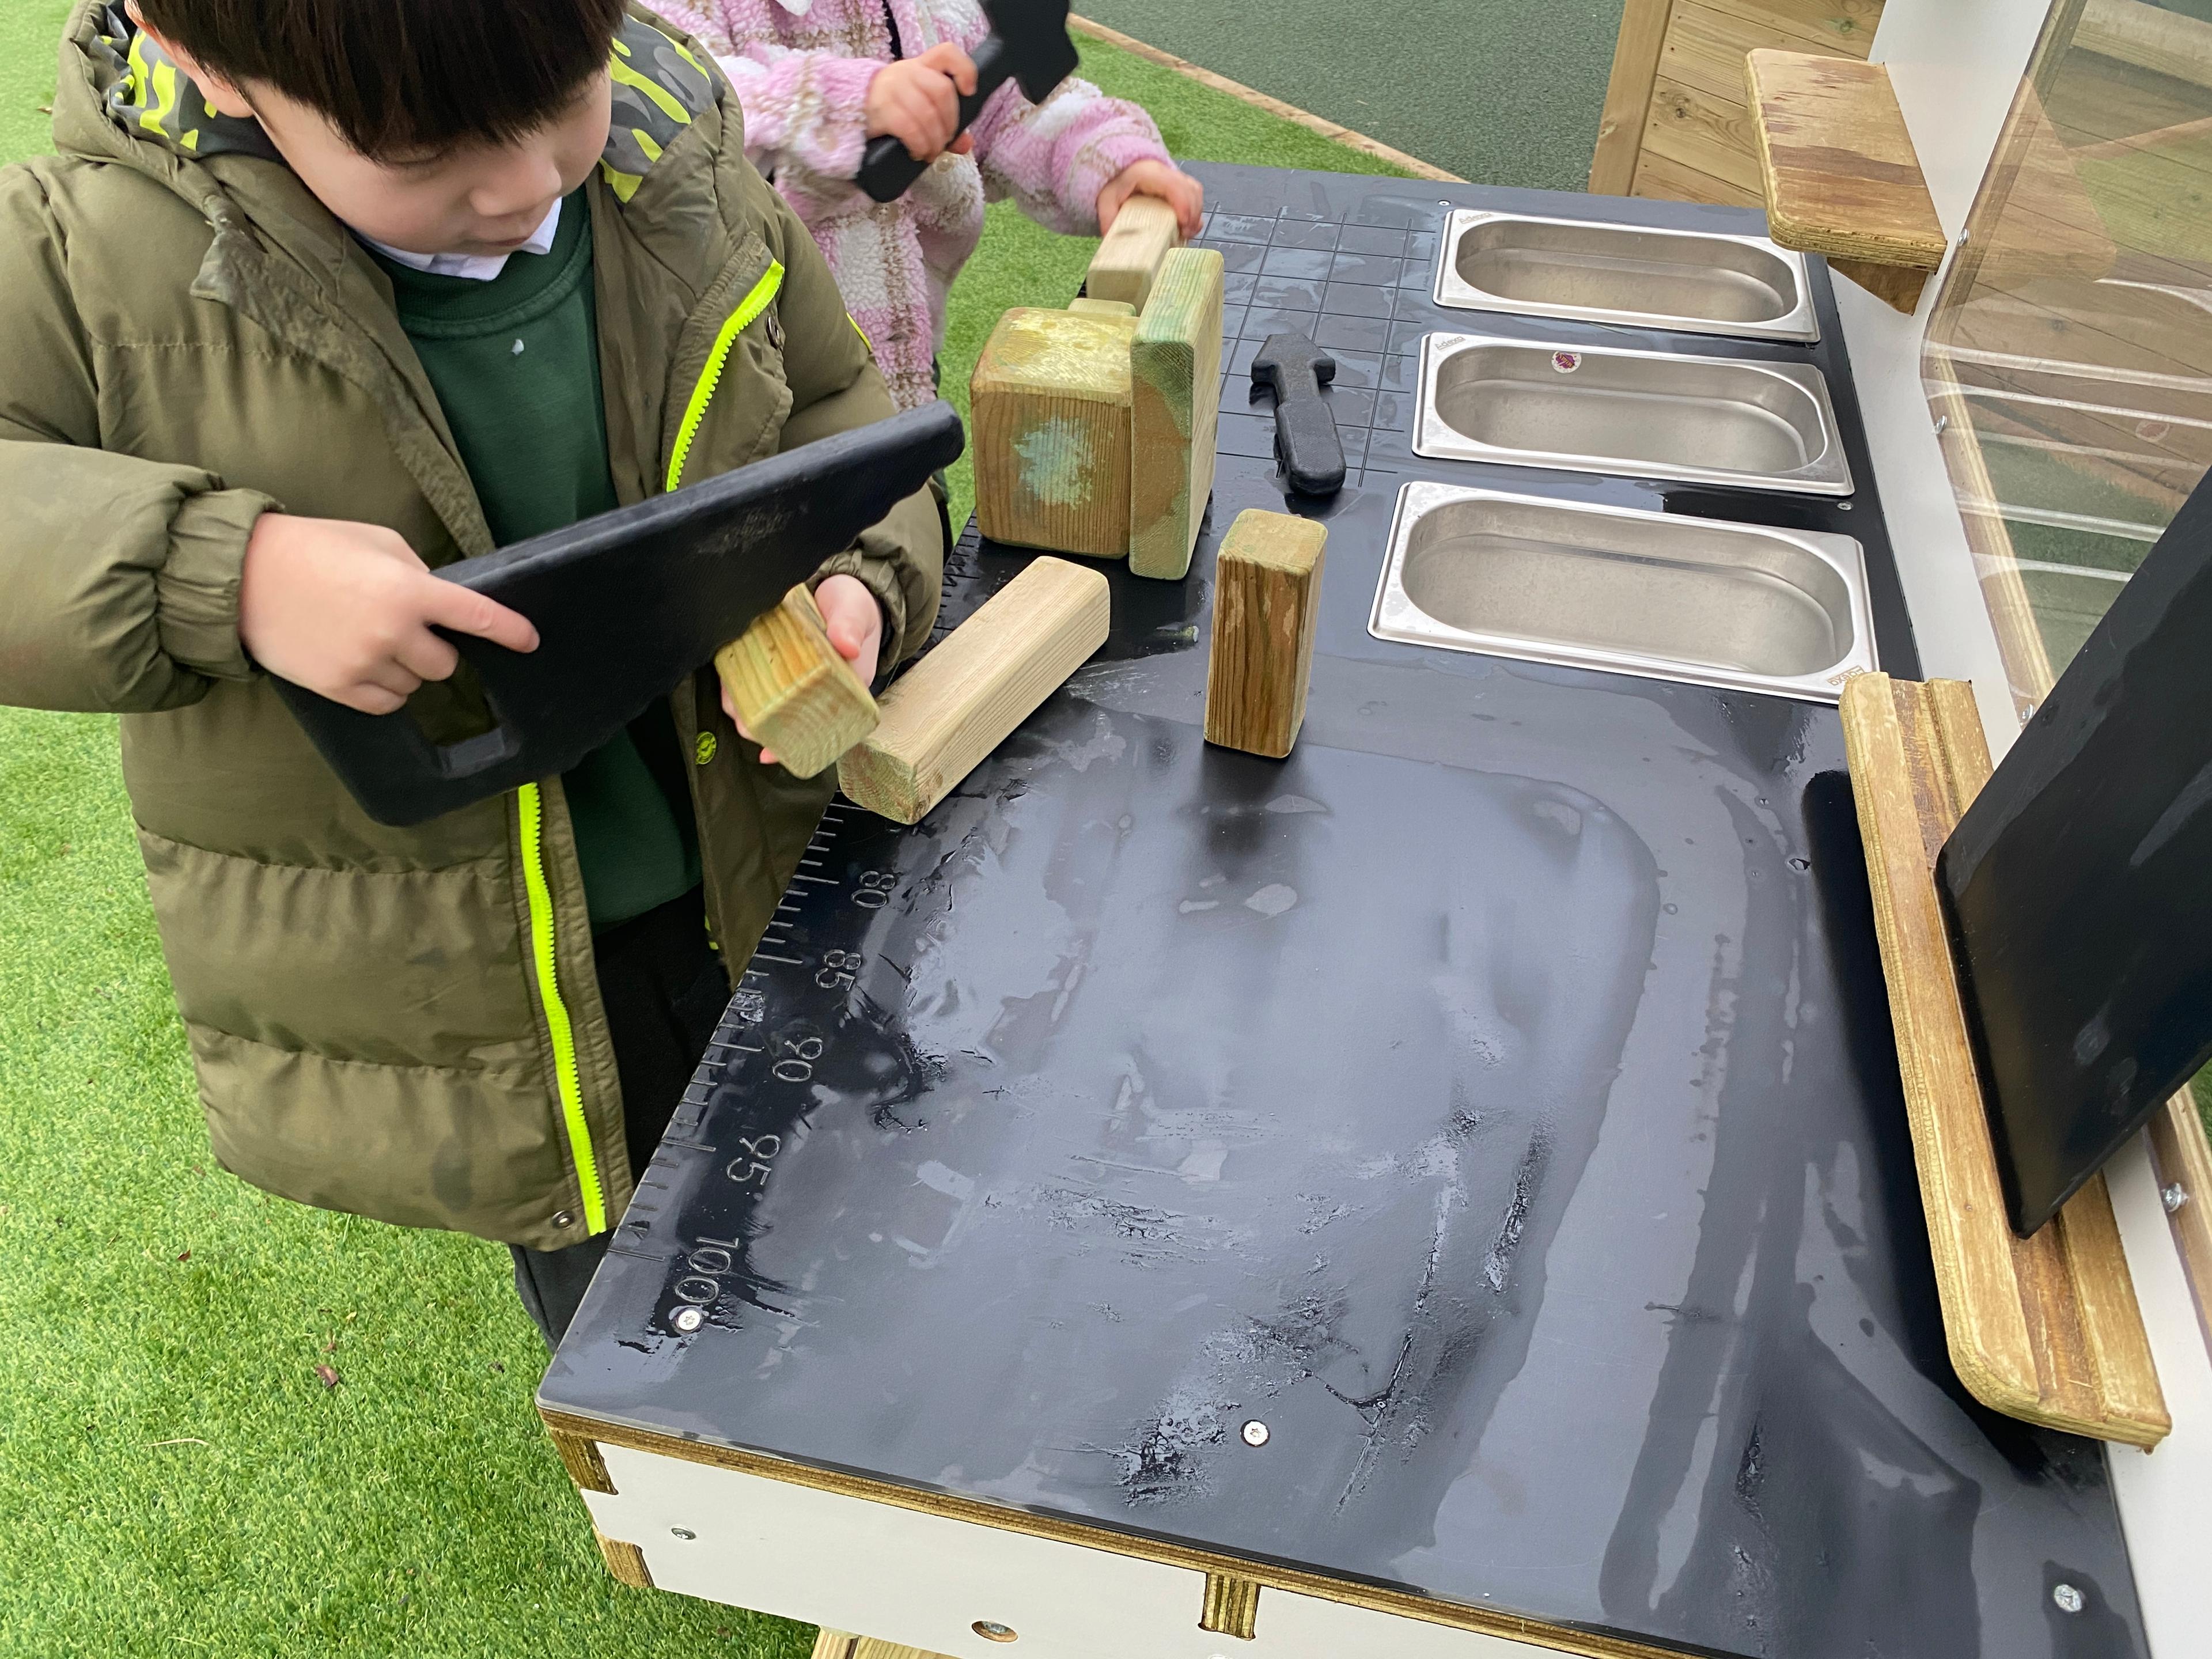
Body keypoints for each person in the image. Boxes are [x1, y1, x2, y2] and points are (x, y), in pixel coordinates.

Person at [0, 0, 946, 1347]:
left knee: (855, 1215)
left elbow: (842, 409)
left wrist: (858, 575)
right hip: (502, 968)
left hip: (766, 858)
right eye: (422, 150)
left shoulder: (667, 154)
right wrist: (232, 573)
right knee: (647, 1328)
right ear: (202, 57)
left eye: (562, 88)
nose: (517, 184)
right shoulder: (78, 256)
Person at [656, 1, 1205, 412]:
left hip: (901, 365)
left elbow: (1007, 106)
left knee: (908, 542)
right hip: (752, 393)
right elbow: (682, 114)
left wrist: (1107, 160)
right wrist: (847, 103)